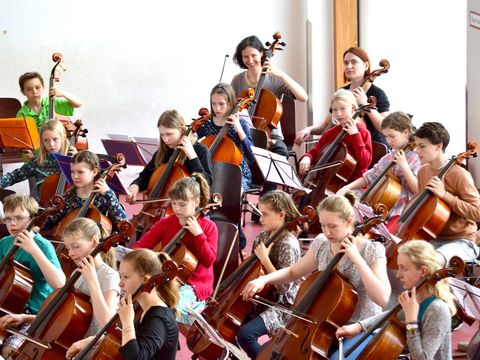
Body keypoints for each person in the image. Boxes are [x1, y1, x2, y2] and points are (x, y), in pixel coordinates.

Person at [242, 194, 390, 353]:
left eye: (332, 226)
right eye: (323, 225)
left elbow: (382, 298)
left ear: (349, 222)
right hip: (323, 326)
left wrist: (357, 259)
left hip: (358, 329)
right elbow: (293, 272)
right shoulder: (322, 243)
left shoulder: (372, 250)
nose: (327, 232)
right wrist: (263, 279)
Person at [2, 217, 119, 358]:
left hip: (88, 352)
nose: (70, 253)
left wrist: (93, 281)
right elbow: (61, 318)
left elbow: (107, 323)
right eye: (68, 248)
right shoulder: (77, 273)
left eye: (76, 246)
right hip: (67, 344)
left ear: (94, 242)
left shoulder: (109, 276)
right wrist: (24, 318)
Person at [334, 240, 456, 359]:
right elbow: (391, 314)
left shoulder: (438, 309)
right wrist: (359, 326)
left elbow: (423, 358)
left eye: (404, 268)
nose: (398, 275)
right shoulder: (414, 296)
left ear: (423, 271)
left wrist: (411, 322)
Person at [132, 173, 218, 329]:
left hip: (194, 285)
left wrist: (198, 235)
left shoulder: (208, 227)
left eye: (182, 204)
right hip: (167, 278)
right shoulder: (166, 222)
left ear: (196, 202)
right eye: (174, 203)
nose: (177, 209)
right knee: (137, 300)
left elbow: (209, 260)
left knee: (164, 310)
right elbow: (139, 246)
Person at [231, 35, 308, 199]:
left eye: (253, 55)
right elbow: (231, 107)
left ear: (261, 54)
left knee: (280, 153)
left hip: (270, 135)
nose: (250, 60)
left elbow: (303, 97)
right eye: (245, 56)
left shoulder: (273, 80)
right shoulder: (238, 81)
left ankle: (265, 201)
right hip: (241, 132)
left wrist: (281, 74)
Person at [236, 190, 303, 359]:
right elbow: (253, 273)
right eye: (260, 213)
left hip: (282, 305)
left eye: (265, 214)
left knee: (246, 334)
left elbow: (284, 288)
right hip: (261, 296)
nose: (260, 219)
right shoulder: (261, 238)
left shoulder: (289, 243)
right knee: (231, 326)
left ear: (281, 215)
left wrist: (265, 259)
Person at [0, 194, 65, 357]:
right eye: (8, 219)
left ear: (32, 219)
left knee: (10, 351)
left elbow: (60, 283)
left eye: (18, 218)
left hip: (32, 316)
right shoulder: (5, 243)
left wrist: (34, 250)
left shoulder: (43, 245)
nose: (12, 223)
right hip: (6, 309)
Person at [337, 111, 420, 233]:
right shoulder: (388, 157)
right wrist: (346, 188)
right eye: (386, 136)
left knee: (386, 236)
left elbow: (417, 189)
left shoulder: (417, 157)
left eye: (392, 136)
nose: (388, 140)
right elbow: (369, 177)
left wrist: (404, 166)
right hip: (381, 209)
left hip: (402, 211)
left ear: (406, 133)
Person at [411, 122, 480, 266]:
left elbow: (477, 212)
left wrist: (445, 195)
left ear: (439, 146)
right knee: (406, 258)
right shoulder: (423, 171)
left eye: (422, 146)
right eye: (416, 145)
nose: (417, 151)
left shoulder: (459, 174)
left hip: (462, 241)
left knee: (429, 262)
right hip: (432, 237)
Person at [295, 47, 390, 146]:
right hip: (348, 149)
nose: (349, 66)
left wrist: (365, 104)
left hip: (374, 148)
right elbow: (327, 125)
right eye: (346, 63)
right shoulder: (342, 92)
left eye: (354, 62)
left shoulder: (378, 94)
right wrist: (308, 130)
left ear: (366, 66)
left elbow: (385, 128)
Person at [127, 109, 213, 204]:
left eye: (169, 134)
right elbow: (145, 177)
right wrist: (135, 186)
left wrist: (192, 156)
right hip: (161, 210)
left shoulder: (201, 151)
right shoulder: (163, 152)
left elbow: (206, 183)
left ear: (181, 130)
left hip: (191, 210)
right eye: (162, 135)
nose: (166, 139)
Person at [116, 249, 180, 360]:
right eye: (120, 276)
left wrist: (127, 323)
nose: (120, 283)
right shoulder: (143, 308)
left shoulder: (160, 319)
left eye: (125, 277)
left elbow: (136, 358)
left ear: (146, 280)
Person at [298, 89, 372, 182]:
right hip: (331, 182)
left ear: (353, 108)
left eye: (343, 109)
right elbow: (316, 151)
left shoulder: (362, 132)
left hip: (355, 183)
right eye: (334, 110)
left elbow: (364, 163)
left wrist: (355, 135)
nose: (338, 114)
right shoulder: (331, 133)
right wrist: (307, 157)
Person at [45, 150, 128, 232]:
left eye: (80, 172)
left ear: (94, 172)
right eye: (72, 172)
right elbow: (52, 220)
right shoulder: (70, 195)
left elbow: (124, 225)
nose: (75, 176)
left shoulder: (105, 195)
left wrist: (109, 194)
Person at [196, 83, 254, 192]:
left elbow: (252, 157)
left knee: (233, 192)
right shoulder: (207, 124)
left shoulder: (241, 124)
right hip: (211, 171)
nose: (217, 108)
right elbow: (194, 144)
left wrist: (239, 130)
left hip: (236, 172)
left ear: (230, 102)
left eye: (221, 104)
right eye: (214, 104)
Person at [0, 119, 77, 197]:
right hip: (44, 207)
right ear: (42, 141)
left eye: (55, 139)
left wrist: (78, 162)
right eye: (46, 140)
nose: (51, 144)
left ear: (63, 137)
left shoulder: (74, 158)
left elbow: (88, 179)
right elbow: (15, 176)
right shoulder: (38, 162)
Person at [16, 71, 82, 131]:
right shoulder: (21, 114)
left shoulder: (52, 102)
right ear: (23, 92)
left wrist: (62, 93)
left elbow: (78, 104)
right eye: (29, 89)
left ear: (43, 87)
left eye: (37, 87)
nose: (34, 91)